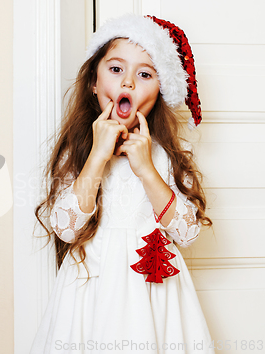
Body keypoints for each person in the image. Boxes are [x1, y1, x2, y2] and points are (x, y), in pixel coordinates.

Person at [31, 14, 214, 354]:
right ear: (94, 82)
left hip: (154, 295)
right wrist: (97, 157)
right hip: (91, 292)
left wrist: (146, 168)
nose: (128, 83)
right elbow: (66, 229)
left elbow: (188, 232)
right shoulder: (78, 150)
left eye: (144, 74)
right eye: (116, 70)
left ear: (160, 90)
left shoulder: (169, 154)